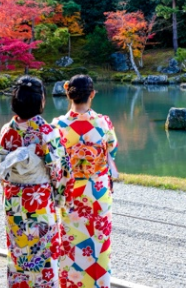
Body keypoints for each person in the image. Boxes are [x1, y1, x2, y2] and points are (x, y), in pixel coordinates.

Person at [0, 76, 73, 288]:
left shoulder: (6, 131)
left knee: (19, 253)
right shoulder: (47, 133)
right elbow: (61, 172)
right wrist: (60, 199)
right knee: (44, 256)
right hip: (39, 202)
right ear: (41, 100)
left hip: (13, 202)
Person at [52, 75, 118, 288]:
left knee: (71, 244)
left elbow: (54, 162)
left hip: (71, 192)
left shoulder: (58, 125)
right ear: (92, 94)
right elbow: (112, 149)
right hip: (97, 193)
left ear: (68, 93)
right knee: (98, 247)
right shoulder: (104, 122)